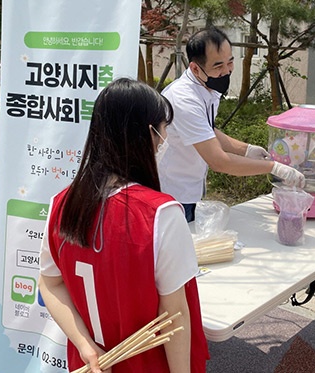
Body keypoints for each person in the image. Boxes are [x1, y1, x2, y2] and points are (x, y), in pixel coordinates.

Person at [38, 78, 209, 373]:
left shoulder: (61, 204)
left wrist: (84, 345)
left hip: (91, 366)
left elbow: (49, 283)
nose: (165, 139)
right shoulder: (160, 214)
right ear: (149, 134)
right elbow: (175, 316)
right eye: (164, 129)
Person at [158, 26, 305, 222]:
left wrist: (246, 149)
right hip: (174, 192)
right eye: (218, 66)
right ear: (195, 68)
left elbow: (207, 129)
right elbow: (218, 161)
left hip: (190, 185)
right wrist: (273, 168)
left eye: (230, 62)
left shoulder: (206, 84)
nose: (226, 71)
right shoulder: (184, 99)